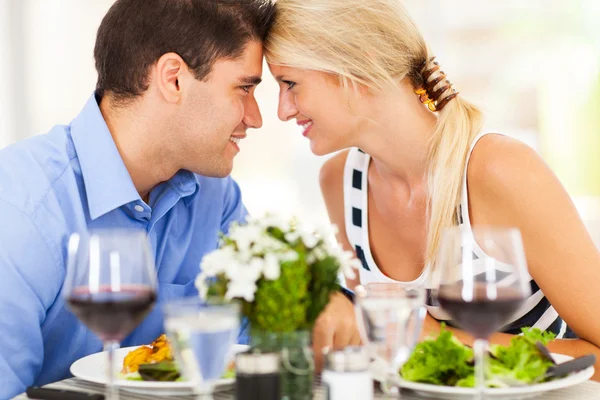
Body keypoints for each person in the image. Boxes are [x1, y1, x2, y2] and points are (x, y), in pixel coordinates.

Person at [265, 0, 600, 377]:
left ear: (357, 64)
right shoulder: (341, 182)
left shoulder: (498, 171)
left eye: (290, 83)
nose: (282, 110)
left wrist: (427, 335)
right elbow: (383, 355)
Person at [0, 0, 275, 397]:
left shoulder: (216, 199)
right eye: (244, 88)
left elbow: (253, 355)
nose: (256, 116)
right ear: (173, 78)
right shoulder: (21, 210)